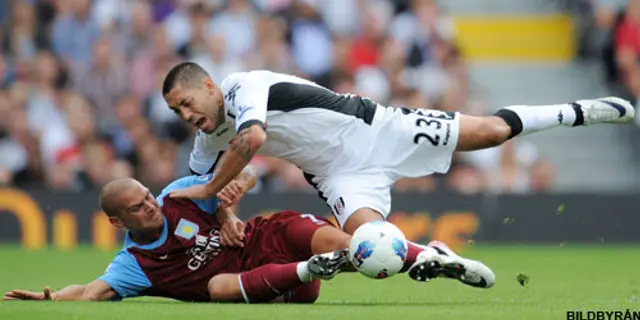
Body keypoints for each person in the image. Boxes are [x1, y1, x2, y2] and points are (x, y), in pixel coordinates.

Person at [163, 62, 629, 286]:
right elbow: (203, 191)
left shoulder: (244, 86)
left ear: (209, 86)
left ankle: (581, 111)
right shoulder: (208, 140)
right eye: (175, 111)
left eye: (186, 102)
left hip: (377, 128)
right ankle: (436, 254)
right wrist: (224, 214)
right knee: (371, 250)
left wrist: (213, 186)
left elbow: (253, 142)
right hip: (337, 175)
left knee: (490, 132)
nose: (185, 114)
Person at [3, 175, 352, 303]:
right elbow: (92, 292)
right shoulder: (135, 264)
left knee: (353, 246)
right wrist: (51, 300)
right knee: (217, 288)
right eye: (137, 208)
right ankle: (310, 269)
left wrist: (226, 211)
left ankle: (402, 257)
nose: (150, 207)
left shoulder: (177, 195)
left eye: (147, 197)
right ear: (116, 222)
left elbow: (245, 176)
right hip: (278, 287)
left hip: (265, 243)